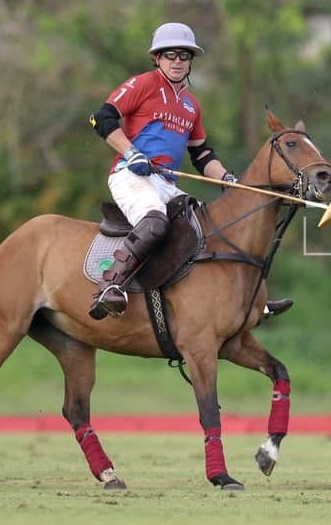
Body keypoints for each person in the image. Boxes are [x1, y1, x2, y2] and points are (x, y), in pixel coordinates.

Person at [86, 22, 239, 319]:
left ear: (191, 60)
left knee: (205, 226)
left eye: (184, 55)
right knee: (155, 221)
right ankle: (109, 287)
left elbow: (202, 153)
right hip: (131, 176)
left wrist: (228, 178)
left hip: (166, 183)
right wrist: (131, 153)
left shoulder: (191, 105)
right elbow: (101, 119)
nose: (177, 61)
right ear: (157, 57)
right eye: (170, 55)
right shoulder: (143, 84)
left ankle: (231, 300)